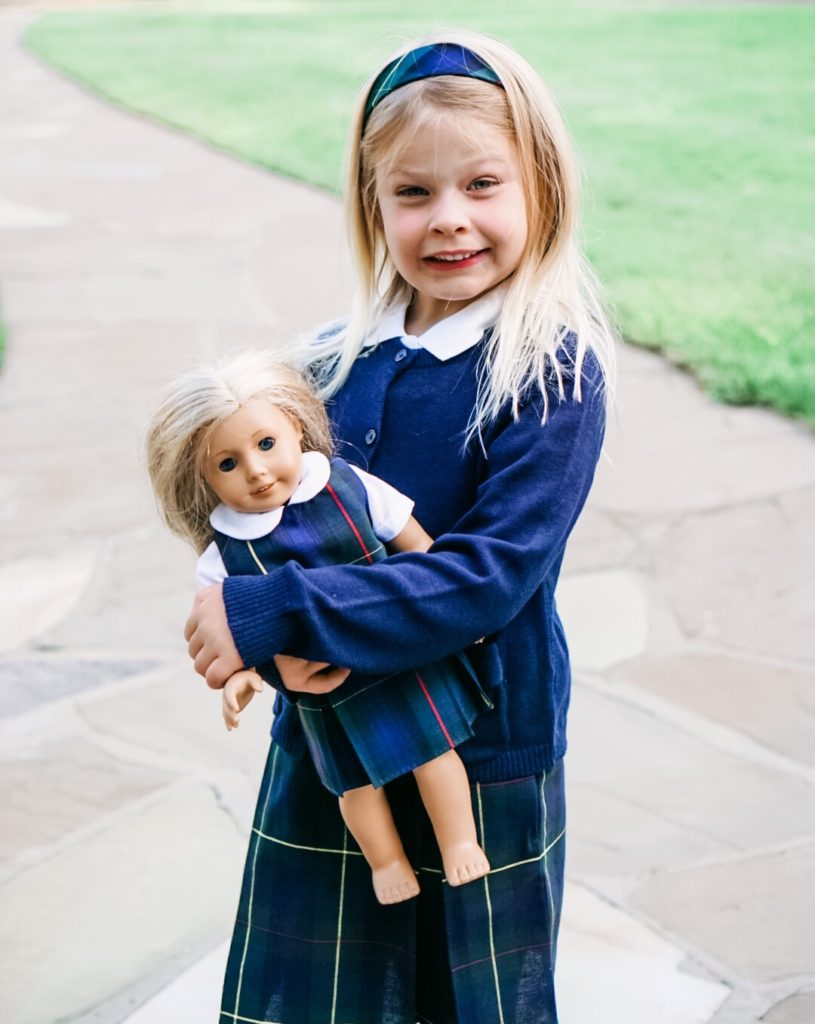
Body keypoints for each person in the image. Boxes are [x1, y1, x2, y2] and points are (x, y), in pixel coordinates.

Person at [185, 31, 616, 1024]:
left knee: (469, 996)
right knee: (318, 992)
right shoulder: (327, 364)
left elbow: (486, 576)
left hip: (482, 745)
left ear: (539, 185)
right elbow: (265, 519)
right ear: (370, 203)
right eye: (412, 193)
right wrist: (255, 634)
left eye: (480, 184)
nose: (449, 219)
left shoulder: (549, 368)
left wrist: (276, 611)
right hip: (336, 743)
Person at [145, 350, 494, 905]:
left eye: (266, 445)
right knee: (354, 785)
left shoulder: (348, 486)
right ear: (203, 477)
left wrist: (457, 608)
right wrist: (244, 678)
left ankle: (458, 841)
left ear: (297, 428)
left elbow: (418, 545)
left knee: (435, 752)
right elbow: (230, 633)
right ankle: (387, 863)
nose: (256, 471)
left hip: (395, 651)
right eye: (227, 464)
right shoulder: (222, 555)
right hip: (323, 689)